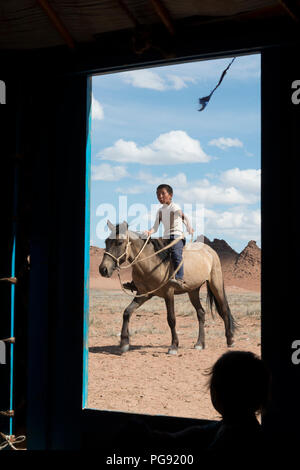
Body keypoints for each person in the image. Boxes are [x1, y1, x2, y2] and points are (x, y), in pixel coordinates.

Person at [144, 184, 194, 289]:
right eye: (158, 194)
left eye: (163, 193)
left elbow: (184, 217)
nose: (160, 196)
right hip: (165, 238)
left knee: (176, 254)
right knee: (150, 253)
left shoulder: (174, 207)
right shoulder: (160, 211)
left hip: (177, 236)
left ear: (170, 195)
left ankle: (179, 279)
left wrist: (189, 226)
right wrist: (150, 232)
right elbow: (155, 227)